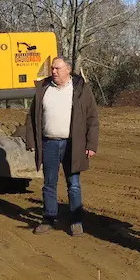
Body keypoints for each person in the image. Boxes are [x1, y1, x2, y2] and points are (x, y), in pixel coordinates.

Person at [24, 56, 99, 236]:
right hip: (49, 143)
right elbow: (32, 117)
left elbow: (92, 118)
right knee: (49, 183)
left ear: (68, 69)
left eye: (57, 68)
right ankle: (49, 218)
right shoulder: (43, 88)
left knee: (73, 184)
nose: (53, 71)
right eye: (52, 69)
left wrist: (91, 144)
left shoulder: (81, 89)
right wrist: (32, 141)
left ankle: (76, 221)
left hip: (73, 144)